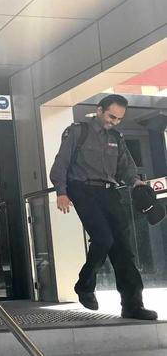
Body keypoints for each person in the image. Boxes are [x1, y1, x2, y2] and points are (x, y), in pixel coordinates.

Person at [49, 94, 157, 320]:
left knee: (124, 250)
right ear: (99, 110)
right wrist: (61, 191)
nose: (114, 121)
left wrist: (136, 182)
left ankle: (132, 305)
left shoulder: (117, 138)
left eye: (118, 119)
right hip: (82, 190)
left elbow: (126, 166)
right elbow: (61, 163)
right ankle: (85, 284)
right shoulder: (78, 132)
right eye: (111, 116)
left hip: (109, 192)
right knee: (103, 239)